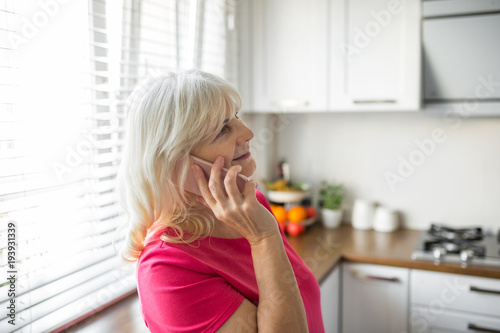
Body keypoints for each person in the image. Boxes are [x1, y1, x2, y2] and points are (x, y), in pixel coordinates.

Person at [118, 70, 325, 332]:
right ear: (177, 163)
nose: (248, 132)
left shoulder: (251, 206)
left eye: (237, 117)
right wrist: (263, 240)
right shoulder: (167, 269)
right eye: (222, 129)